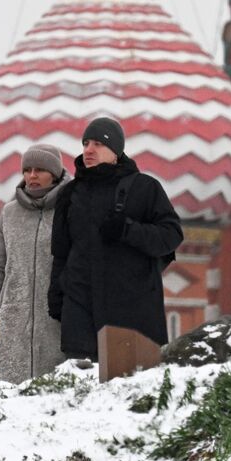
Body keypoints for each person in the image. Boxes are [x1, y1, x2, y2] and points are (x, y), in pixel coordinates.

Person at [48, 117, 183, 360]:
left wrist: (127, 230)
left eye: (98, 144)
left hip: (132, 314)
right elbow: (61, 252)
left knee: (129, 380)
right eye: (86, 143)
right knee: (80, 380)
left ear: (116, 151)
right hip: (80, 312)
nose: (89, 150)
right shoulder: (70, 194)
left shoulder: (144, 188)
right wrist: (58, 299)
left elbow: (171, 235)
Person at [0, 143, 70, 383]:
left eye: (39, 170)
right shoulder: (10, 215)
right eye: (27, 170)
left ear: (54, 174)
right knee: (14, 394)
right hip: (15, 326)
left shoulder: (71, 209)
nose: (32, 176)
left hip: (58, 325)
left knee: (55, 393)